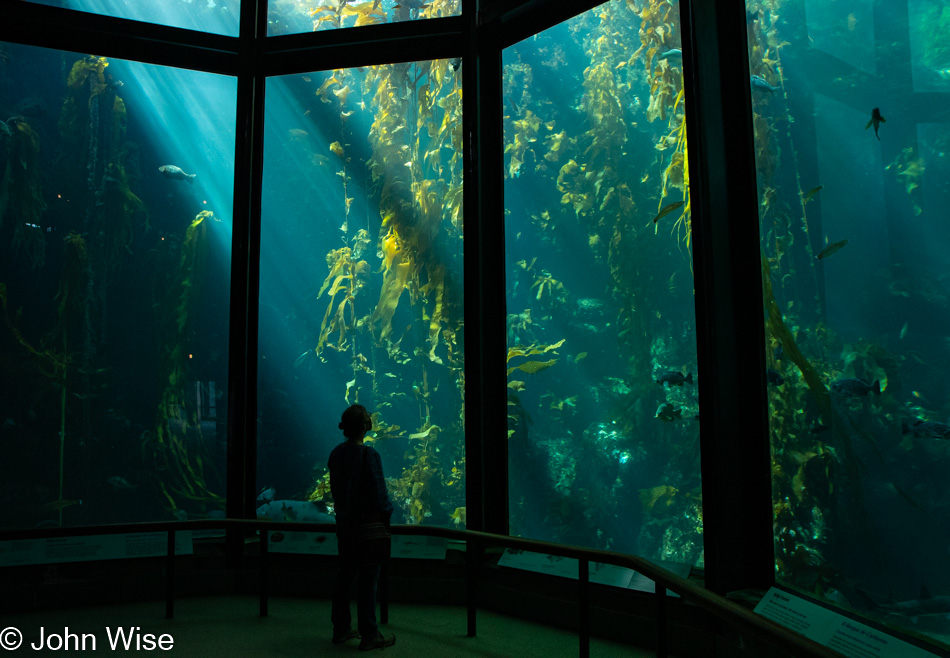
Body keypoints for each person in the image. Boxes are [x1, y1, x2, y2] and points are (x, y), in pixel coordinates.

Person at [328, 404, 396, 650]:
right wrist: (387, 514)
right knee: (368, 581)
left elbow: (336, 491)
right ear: (366, 426)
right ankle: (369, 634)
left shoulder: (336, 453)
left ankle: (341, 629)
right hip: (368, 529)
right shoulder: (369, 455)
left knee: (344, 577)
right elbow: (379, 494)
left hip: (345, 526)